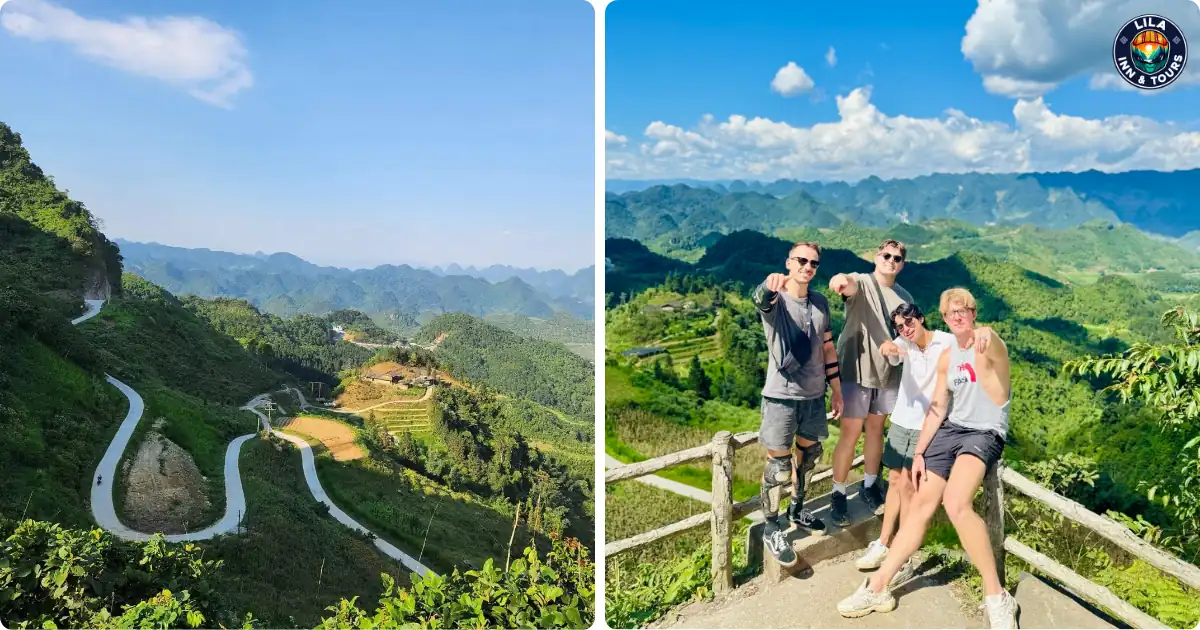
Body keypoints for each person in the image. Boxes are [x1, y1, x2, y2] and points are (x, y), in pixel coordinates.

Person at [837, 287, 1019, 629]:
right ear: (945, 318)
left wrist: (985, 333)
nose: (958, 316)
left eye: (963, 310)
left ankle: (996, 595)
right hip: (951, 429)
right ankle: (877, 587)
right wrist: (920, 450)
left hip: (984, 432)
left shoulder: (989, 343)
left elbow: (991, 342)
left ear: (973, 312)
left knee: (956, 503)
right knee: (920, 505)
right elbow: (937, 406)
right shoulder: (949, 357)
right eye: (951, 313)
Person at [855, 302, 996, 581]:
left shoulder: (944, 341)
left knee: (910, 487)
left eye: (909, 322)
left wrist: (984, 333)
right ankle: (883, 543)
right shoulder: (903, 343)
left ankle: (903, 554)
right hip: (901, 420)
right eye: (900, 326)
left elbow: (970, 341)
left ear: (921, 319)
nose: (906, 329)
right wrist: (888, 347)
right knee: (895, 481)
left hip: (928, 426)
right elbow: (891, 350)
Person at [752, 241, 844, 567]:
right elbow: (759, 298)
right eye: (801, 260)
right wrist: (768, 285)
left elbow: (827, 348)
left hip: (815, 395)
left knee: (808, 459)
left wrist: (836, 389)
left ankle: (797, 509)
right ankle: (771, 526)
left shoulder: (820, 303)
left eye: (813, 263)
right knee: (778, 468)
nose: (807, 267)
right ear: (789, 262)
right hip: (781, 397)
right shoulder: (777, 300)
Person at [827, 239, 914, 526]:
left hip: (888, 374)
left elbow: (910, 334)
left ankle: (869, 484)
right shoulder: (863, 282)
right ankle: (838, 493)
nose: (891, 261)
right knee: (850, 432)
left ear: (902, 265)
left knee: (876, 430)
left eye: (897, 258)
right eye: (886, 255)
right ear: (877, 257)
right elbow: (848, 282)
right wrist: (840, 280)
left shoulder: (904, 296)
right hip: (856, 368)